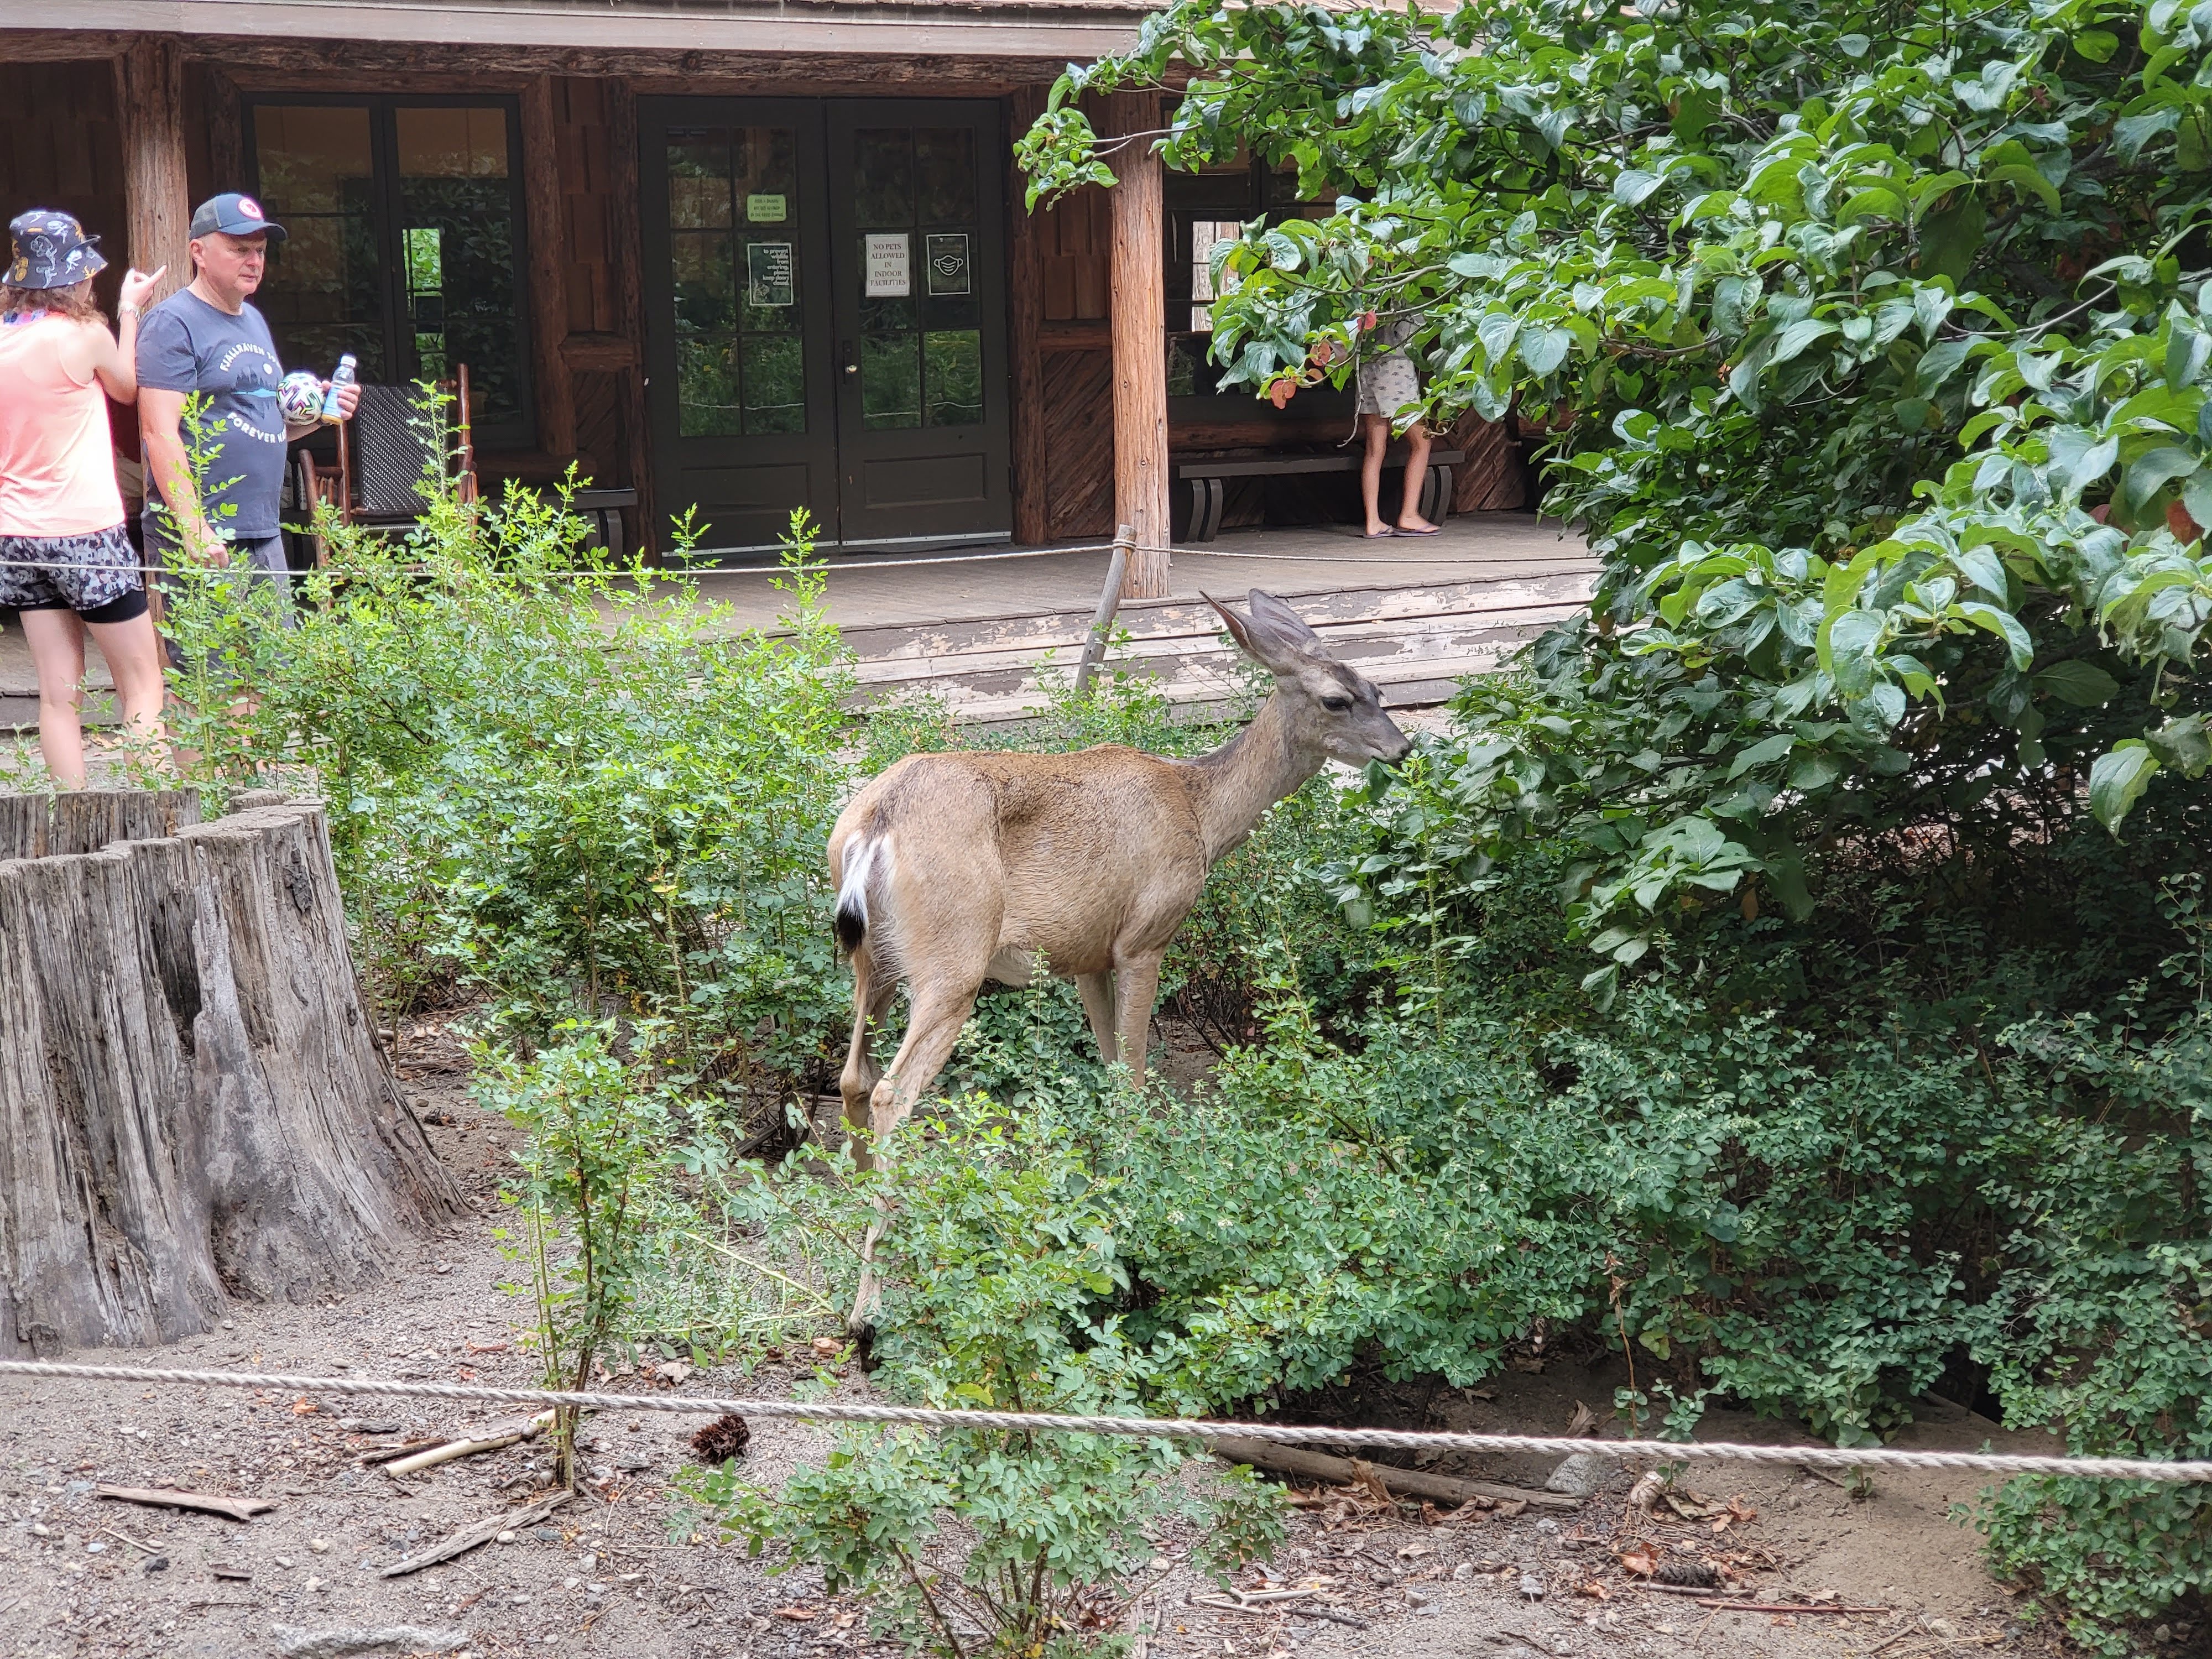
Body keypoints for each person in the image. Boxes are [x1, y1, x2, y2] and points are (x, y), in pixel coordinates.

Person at [0, 210, 169, 788]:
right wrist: (129, 308)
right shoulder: (84, 334)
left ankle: (74, 816)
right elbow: (126, 385)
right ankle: (152, 812)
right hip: (87, 533)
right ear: (74, 278)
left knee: (57, 693)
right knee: (143, 681)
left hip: (17, 536)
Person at [135, 192, 357, 629]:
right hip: (204, 532)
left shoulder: (253, 319)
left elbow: (263, 425)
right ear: (198, 251)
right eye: (239, 249)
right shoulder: (171, 323)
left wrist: (320, 416)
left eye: (260, 250)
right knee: (216, 685)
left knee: (272, 680)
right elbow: (158, 432)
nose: (254, 260)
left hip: (262, 527)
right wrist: (193, 524)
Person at [1355, 312, 1439, 539]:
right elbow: (1407, 334)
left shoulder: (1365, 294)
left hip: (1367, 369)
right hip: (1396, 372)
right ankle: (1409, 514)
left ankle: (1373, 521)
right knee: (1422, 442)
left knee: (1375, 450)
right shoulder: (1404, 294)